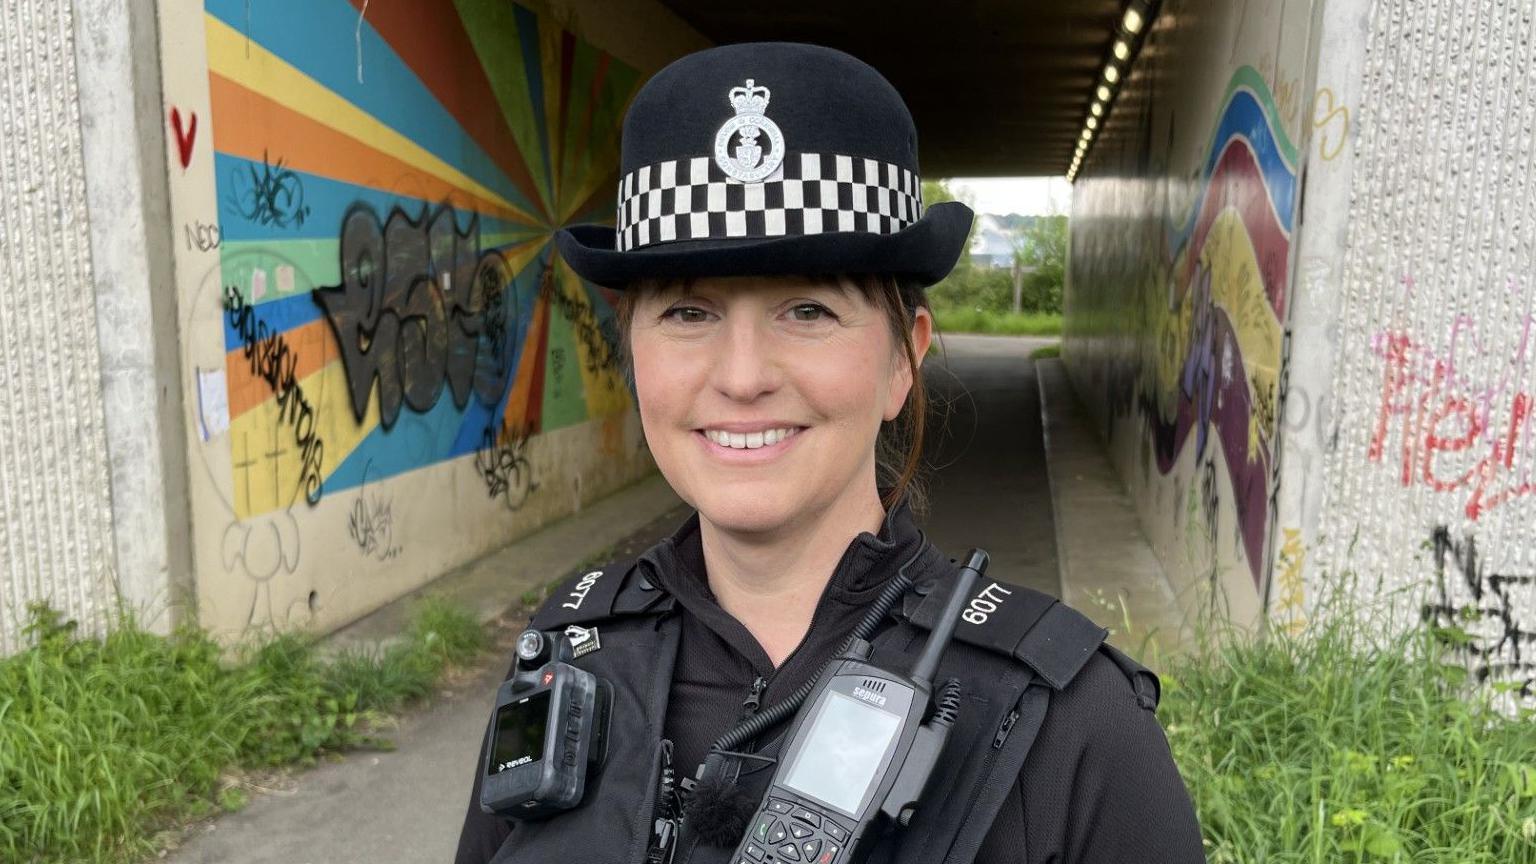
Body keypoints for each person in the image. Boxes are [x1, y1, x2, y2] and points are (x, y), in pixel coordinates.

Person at [455, 42, 1205, 864]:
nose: (742, 379)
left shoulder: (1069, 723)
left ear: (901, 362)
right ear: (632, 352)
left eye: (807, 310)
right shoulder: (570, 654)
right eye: (687, 313)